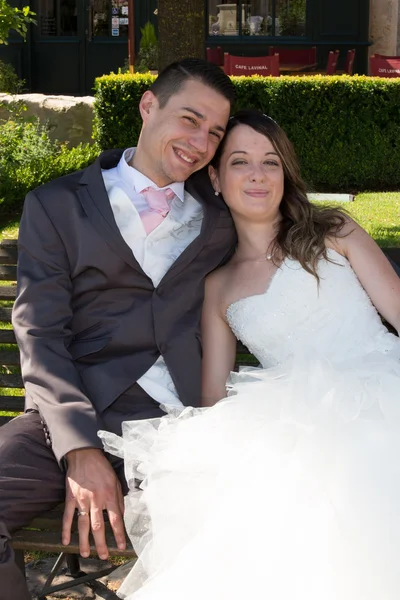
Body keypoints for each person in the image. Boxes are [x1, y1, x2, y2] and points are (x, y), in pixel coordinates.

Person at [100, 110, 400, 600]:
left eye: (271, 162)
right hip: (298, 422)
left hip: (386, 391)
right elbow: (215, 398)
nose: (258, 175)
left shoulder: (334, 232)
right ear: (215, 178)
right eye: (240, 162)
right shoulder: (219, 287)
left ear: (286, 174)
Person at [0, 58, 237, 600]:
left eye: (215, 132)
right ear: (148, 105)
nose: (200, 142)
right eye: (190, 119)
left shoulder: (222, 219)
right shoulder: (57, 205)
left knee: (225, 534)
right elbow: (38, 330)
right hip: (69, 412)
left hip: (178, 425)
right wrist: (78, 447)